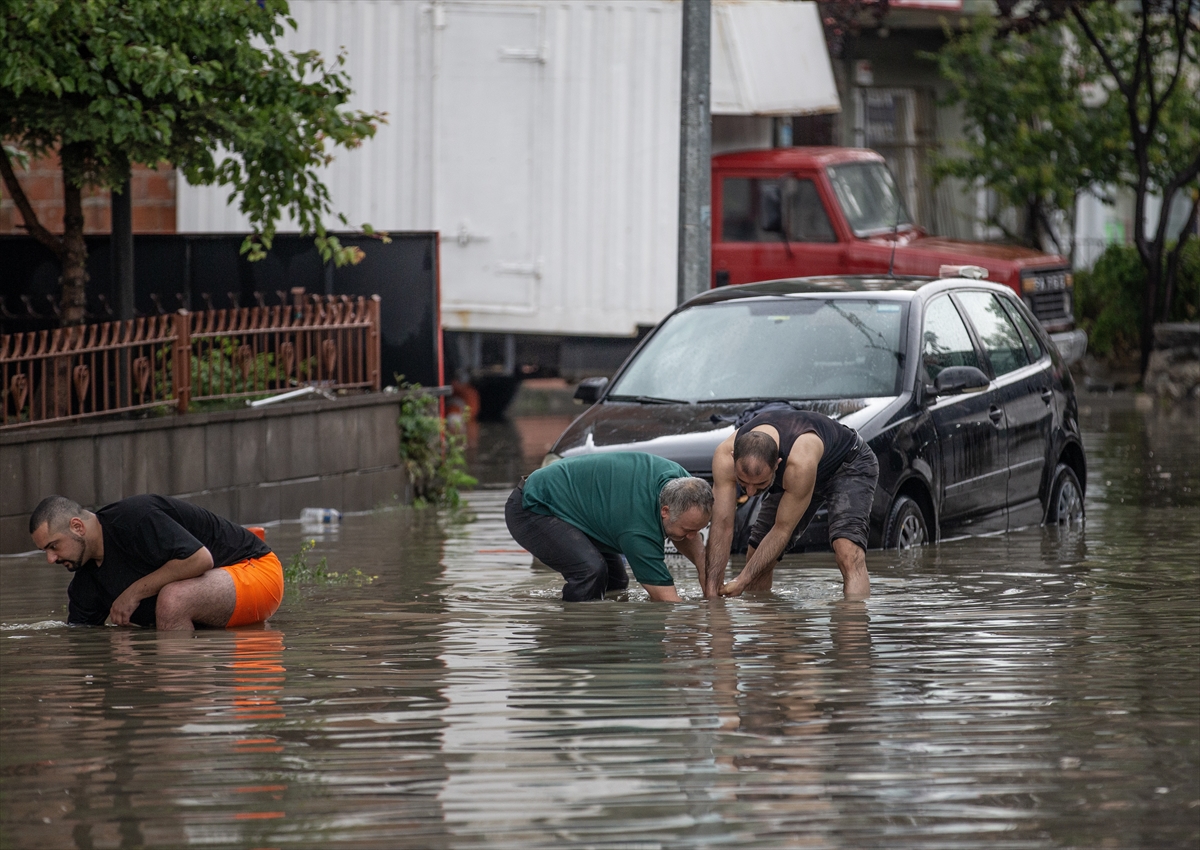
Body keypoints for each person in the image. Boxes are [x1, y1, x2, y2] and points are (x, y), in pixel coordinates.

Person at [29, 494, 284, 631]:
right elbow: (81, 639)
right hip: (217, 591)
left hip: (256, 569)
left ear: (77, 527)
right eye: (44, 551)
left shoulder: (135, 518)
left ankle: (177, 696)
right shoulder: (85, 585)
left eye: (53, 546)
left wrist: (132, 594)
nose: (51, 559)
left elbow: (199, 559)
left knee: (174, 599)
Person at [705, 408, 878, 600]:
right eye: (743, 483)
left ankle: (854, 617)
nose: (751, 492)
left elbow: (782, 530)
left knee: (848, 552)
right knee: (756, 554)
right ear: (733, 457)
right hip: (800, 476)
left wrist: (742, 580)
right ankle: (763, 616)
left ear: (777, 464)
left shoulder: (798, 463)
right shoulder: (724, 456)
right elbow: (722, 524)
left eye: (761, 484)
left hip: (849, 465)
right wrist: (712, 591)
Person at [505, 452, 713, 601]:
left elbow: (689, 535)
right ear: (665, 511)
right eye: (687, 530)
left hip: (577, 505)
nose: (693, 536)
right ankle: (572, 634)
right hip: (533, 506)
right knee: (590, 572)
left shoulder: (684, 484)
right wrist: (699, 624)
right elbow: (666, 600)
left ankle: (607, 633)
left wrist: (705, 573)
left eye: (698, 529)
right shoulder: (638, 527)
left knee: (616, 581)